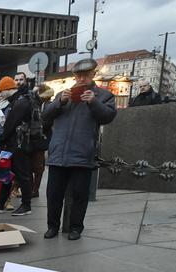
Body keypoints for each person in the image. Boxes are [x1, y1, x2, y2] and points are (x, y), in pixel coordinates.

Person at [43, 58, 117, 240]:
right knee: (53, 194)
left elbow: (108, 116)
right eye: (78, 75)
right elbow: (45, 116)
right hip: (58, 153)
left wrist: (94, 102)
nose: (81, 79)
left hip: (83, 154)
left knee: (79, 195)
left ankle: (76, 228)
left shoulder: (103, 95)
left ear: (93, 74)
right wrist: (59, 101)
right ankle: (52, 226)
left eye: (85, 75)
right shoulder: (63, 93)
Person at [0, 76, 34, 216]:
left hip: (18, 145)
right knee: (7, 174)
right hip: (16, 144)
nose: (0, 95)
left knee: (21, 175)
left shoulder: (20, 102)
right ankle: (0, 203)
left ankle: (26, 205)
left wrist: (2, 140)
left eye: (1, 92)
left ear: (7, 89)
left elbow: (10, 125)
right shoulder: (19, 101)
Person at [30, 84, 55, 198]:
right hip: (34, 138)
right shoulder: (36, 104)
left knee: (38, 167)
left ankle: (35, 190)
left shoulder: (48, 105)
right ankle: (32, 189)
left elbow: (46, 123)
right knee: (32, 166)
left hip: (41, 139)